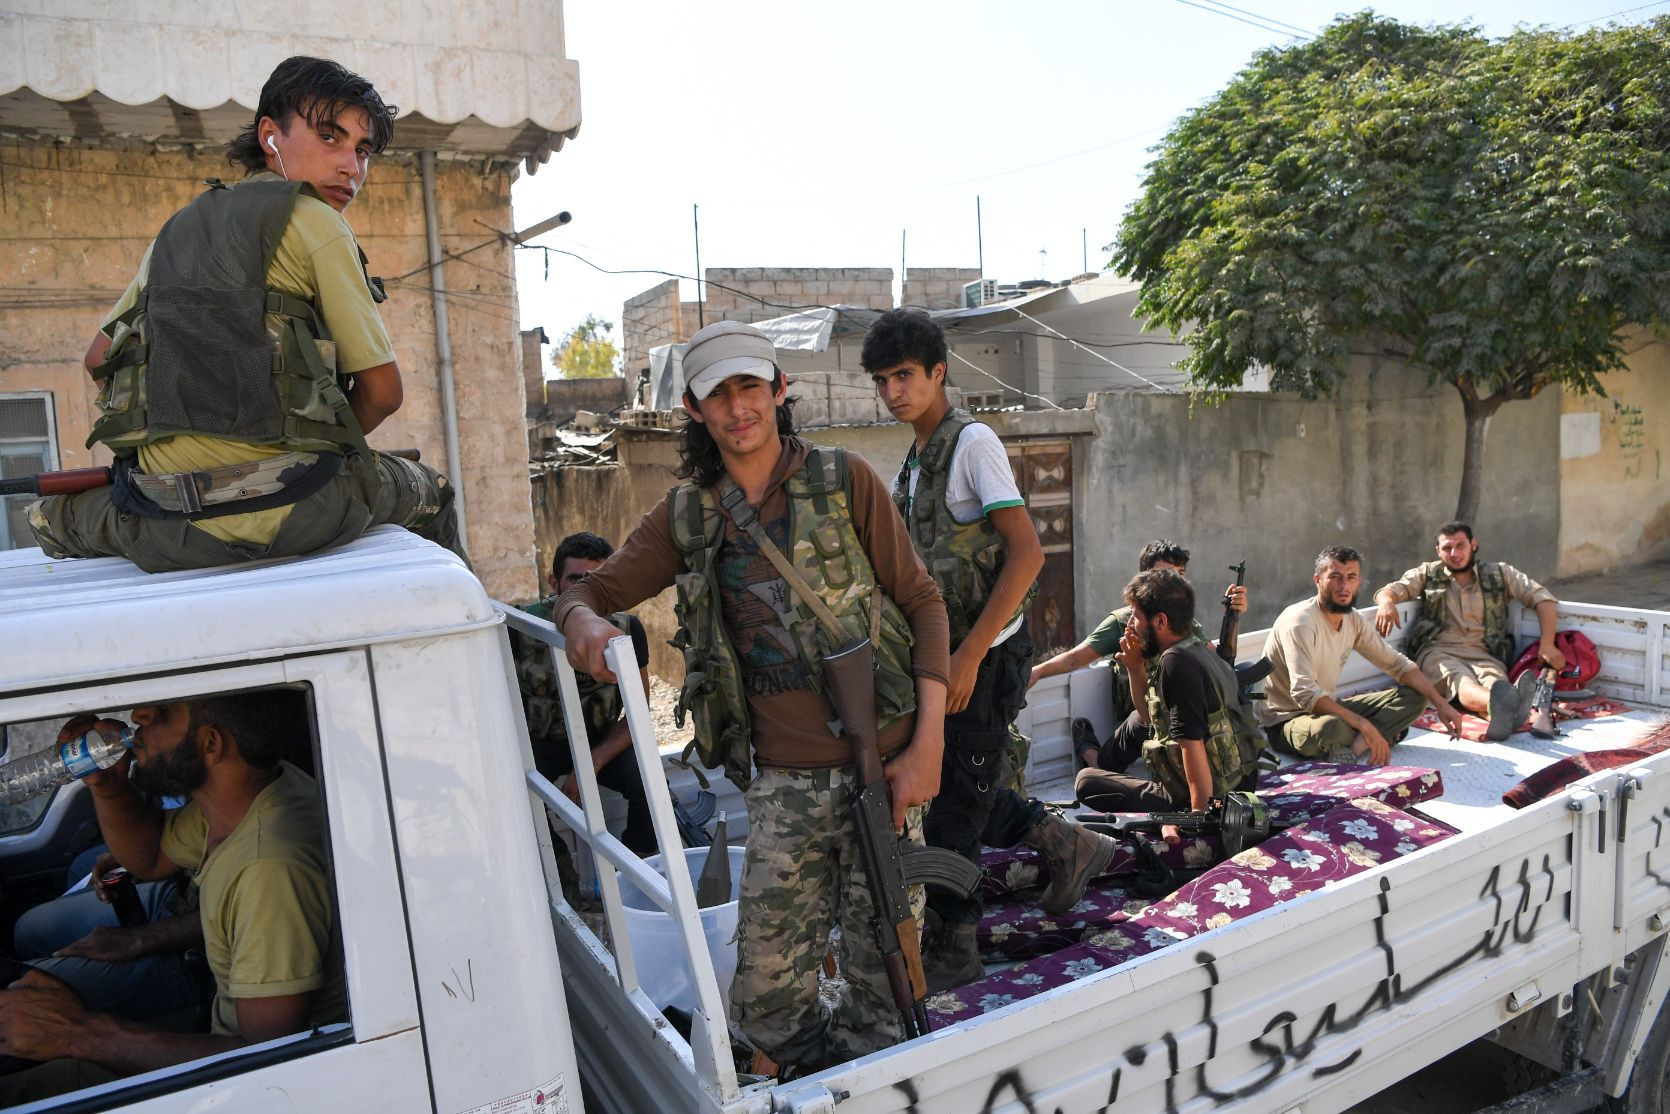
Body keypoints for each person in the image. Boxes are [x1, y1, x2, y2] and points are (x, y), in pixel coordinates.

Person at [551, 320, 949, 1076]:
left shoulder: (845, 480)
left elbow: (924, 603)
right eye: (718, 394)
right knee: (765, 998)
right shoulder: (690, 515)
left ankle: (874, 1078)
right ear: (696, 411)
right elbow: (594, 590)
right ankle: (809, 1082)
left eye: (750, 387)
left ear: (779, 391)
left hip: (890, 771)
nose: (738, 409)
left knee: (887, 976)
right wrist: (580, 622)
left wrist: (927, 743)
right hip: (785, 787)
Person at [28, 56, 462, 573]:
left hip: (164, 529)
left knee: (51, 517)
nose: (352, 165)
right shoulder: (317, 222)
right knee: (432, 489)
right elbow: (383, 394)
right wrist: (322, 449)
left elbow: (98, 356)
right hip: (297, 511)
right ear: (270, 135)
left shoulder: (178, 228)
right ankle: (514, 649)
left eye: (363, 150)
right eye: (330, 137)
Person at [864, 308, 1118, 992]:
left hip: (985, 654)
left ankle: (957, 947)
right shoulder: (917, 460)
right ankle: (1069, 843)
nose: (894, 392)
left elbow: (1028, 554)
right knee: (956, 788)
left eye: (906, 376)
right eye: (883, 380)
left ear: (938, 372)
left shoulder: (971, 444)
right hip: (942, 659)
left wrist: (972, 655)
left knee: (953, 813)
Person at [0, 693, 345, 1102]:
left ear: (211, 744)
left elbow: (269, 1063)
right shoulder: (245, 792)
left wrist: (77, 1032)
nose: (138, 715)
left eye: (164, 712)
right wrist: (108, 788)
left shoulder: (268, 869)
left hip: (236, 1079)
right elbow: (150, 855)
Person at [1028, 540, 1247, 772]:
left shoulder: (1185, 623)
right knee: (1125, 740)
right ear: (1146, 577)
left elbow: (1218, 667)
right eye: (1165, 573)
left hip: (1176, 705)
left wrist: (1233, 618)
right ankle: (1093, 757)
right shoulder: (1126, 621)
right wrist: (1038, 671)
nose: (1174, 581)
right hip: (1141, 706)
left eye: (1180, 574)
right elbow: (1076, 658)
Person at [1075, 570, 1265, 828]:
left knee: (1086, 781)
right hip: (1240, 788)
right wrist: (1135, 667)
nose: (1131, 624)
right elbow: (1148, 719)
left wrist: (1198, 815)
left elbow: (1191, 744)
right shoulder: (1198, 649)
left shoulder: (1176, 663)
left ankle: (1094, 759)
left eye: (1136, 616)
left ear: (1161, 621)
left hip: (1216, 801)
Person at [514, 531, 656, 855]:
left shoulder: (626, 628)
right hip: (540, 742)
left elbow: (640, 710)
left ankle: (637, 871)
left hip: (599, 738)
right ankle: (559, 869)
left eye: (592, 581)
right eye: (574, 580)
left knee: (651, 781)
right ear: (554, 582)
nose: (582, 591)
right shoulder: (522, 627)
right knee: (511, 793)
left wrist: (593, 760)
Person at [1260, 546, 1464, 765]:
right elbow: (1305, 694)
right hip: (1287, 720)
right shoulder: (1301, 622)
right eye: (1335, 577)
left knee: (1417, 697)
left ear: (1359, 581)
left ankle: (1355, 748)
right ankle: (1374, 735)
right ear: (1318, 580)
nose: (1344, 586)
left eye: (1351, 577)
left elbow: (1398, 665)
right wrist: (1364, 725)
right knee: (1333, 729)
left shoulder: (1353, 619)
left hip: (1328, 707)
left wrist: (1441, 704)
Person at [1372, 522, 1564, 741]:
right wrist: (1386, 602)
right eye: (1447, 548)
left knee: (1495, 683)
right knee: (1461, 681)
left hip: (1486, 654)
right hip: (1438, 653)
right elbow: (1391, 590)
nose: (1454, 553)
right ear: (1438, 551)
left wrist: (1547, 645)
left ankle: (1503, 711)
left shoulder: (1500, 573)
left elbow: (1543, 598)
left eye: (1460, 545)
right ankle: (1512, 705)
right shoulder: (1428, 573)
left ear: (1473, 545)